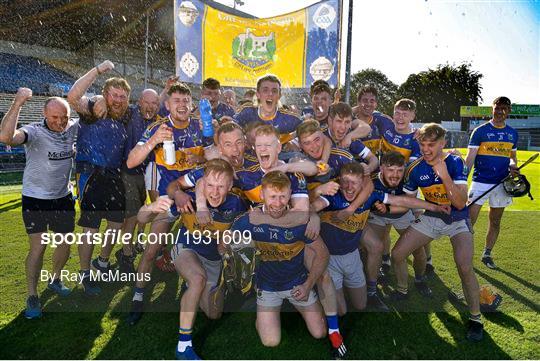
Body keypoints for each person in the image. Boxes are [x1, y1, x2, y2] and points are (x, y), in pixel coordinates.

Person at [140, 159, 247, 360]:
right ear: (201, 184)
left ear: (230, 186)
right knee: (197, 279)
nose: (214, 192)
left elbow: (243, 233)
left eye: (221, 186)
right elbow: (141, 218)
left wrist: (228, 241)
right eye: (210, 185)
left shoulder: (237, 204)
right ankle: (183, 346)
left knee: (213, 313)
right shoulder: (188, 201)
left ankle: (197, 294)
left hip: (213, 260)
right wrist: (152, 207)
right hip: (186, 248)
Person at [311, 162, 449, 315]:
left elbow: (403, 201)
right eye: (345, 182)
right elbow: (309, 207)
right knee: (341, 311)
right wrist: (313, 214)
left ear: (362, 184)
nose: (349, 187)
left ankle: (370, 291)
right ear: (339, 182)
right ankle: (320, 292)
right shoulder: (332, 198)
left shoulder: (370, 196)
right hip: (331, 257)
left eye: (354, 183)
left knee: (360, 305)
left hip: (350, 255)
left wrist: (434, 207)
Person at [125, 82, 211, 324]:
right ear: (167, 105)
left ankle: (208, 288)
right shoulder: (158, 128)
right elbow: (132, 161)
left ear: (191, 104)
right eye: (177, 101)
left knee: (207, 244)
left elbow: (214, 155)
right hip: (170, 197)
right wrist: (154, 141)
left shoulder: (200, 126)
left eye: (186, 101)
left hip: (198, 195)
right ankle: (138, 297)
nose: (182, 105)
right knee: (152, 249)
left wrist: (201, 155)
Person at [391, 123, 483, 342]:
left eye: (431, 144)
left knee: (464, 266)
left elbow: (460, 203)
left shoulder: (454, 162)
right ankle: (403, 290)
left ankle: (476, 318)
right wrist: (386, 204)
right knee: (397, 254)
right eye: (422, 144)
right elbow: (408, 199)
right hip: (432, 216)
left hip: (457, 220)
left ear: (443, 143)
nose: (426, 149)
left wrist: (444, 176)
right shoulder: (415, 168)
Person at [230, 171, 329, 351]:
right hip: (268, 285)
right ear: (262, 195)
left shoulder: (300, 221)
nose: (277, 203)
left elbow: (322, 254)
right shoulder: (249, 221)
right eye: (272, 196)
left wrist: (308, 284)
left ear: (290, 195)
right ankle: (262, 315)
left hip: (297, 283)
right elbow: (225, 245)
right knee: (270, 341)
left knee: (319, 332)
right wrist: (237, 251)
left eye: (282, 197)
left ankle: (304, 307)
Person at [0, 88, 77, 318]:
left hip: (63, 198)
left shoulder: (73, 126)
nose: (60, 122)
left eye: (63, 117)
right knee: (39, 247)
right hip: (36, 199)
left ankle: (55, 279)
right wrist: (18, 103)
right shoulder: (33, 130)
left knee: (65, 244)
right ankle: (32, 295)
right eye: (54, 117)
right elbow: (6, 138)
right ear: (45, 115)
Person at [67, 60, 130, 296]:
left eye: (122, 96)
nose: (118, 100)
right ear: (105, 94)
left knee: (116, 223)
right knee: (90, 228)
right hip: (91, 174)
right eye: (114, 95)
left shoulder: (126, 115)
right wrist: (98, 70)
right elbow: (73, 96)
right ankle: (85, 273)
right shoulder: (94, 108)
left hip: (114, 175)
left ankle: (102, 262)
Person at [465, 96, 519, 269]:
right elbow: (470, 159)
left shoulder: (513, 133)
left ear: (508, 111)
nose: (500, 111)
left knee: (495, 221)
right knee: (468, 221)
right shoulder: (480, 131)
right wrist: (460, 183)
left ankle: (487, 253)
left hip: (501, 183)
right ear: (492, 109)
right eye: (497, 107)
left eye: (504, 108)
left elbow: (512, 159)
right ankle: (465, 254)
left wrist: (513, 167)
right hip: (480, 182)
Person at [234, 74, 301, 144]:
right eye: (265, 90)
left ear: (279, 96)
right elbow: (230, 128)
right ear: (258, 95)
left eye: (274, 91)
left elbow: (306, 130)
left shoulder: (289, 119)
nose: (270, 94)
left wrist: (294, 142)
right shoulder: (247, 111)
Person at [324, 103, 378, 174]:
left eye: (347, 122)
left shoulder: (352, 140)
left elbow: (373, 158)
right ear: (330, 121)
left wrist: (368, 168)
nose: (343, 127)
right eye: (339, 121)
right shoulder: (319, 137)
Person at [352, 86, 393, 155]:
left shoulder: (383, 121)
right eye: (365, 100)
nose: (368, 104)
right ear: (358, 102)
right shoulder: (348, 123)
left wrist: (416, 132)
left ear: (376, 104)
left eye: (372, 101)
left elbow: (402, 130)